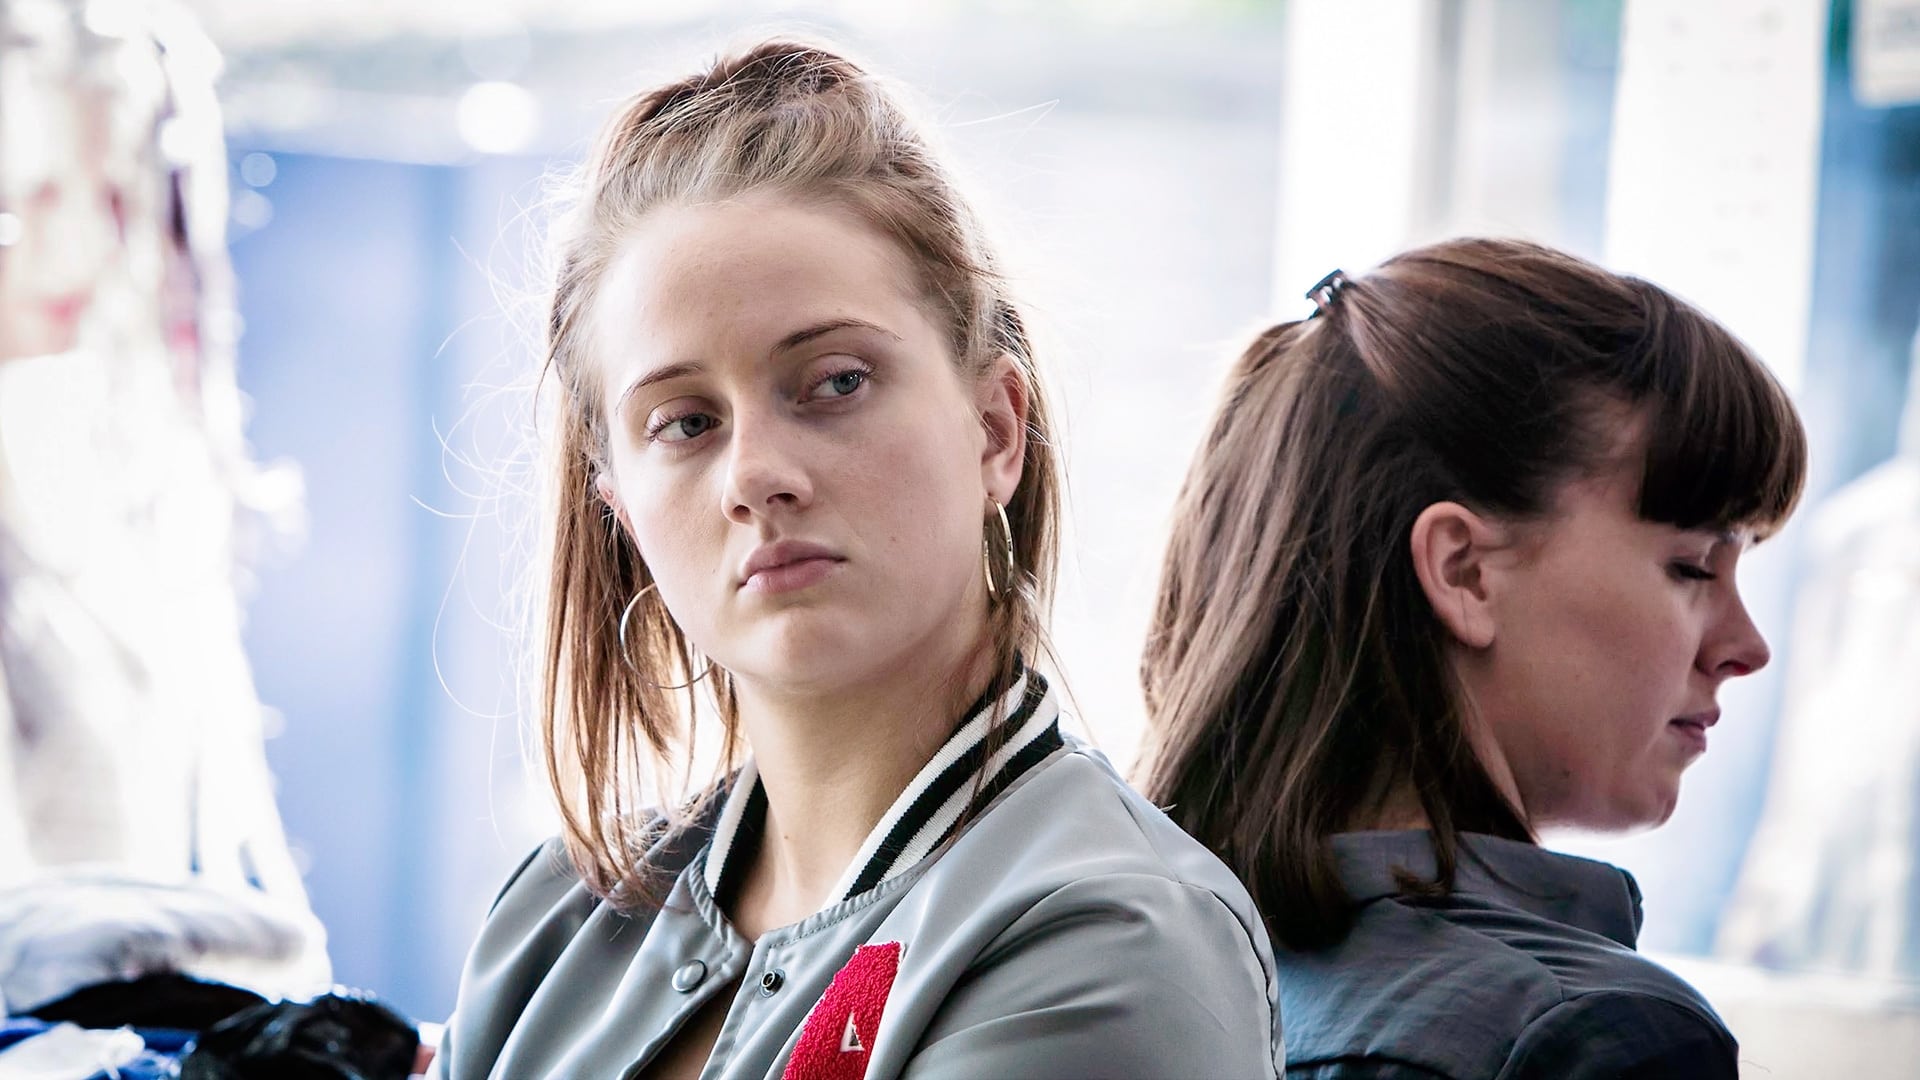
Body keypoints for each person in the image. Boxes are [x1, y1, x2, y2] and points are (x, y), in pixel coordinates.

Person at [431, 39, 1281, 1080]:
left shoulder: (1116, 943)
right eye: (686, 422)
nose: (755, 475)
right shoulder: (555, 920)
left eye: (835, 382)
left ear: (995, 429)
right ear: (622, 512)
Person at [1138, 238, 1806, 1078]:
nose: (1747, 648)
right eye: (1693, 568)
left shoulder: (1154, 984)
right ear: (1464, 572)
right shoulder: (1593, 1039)